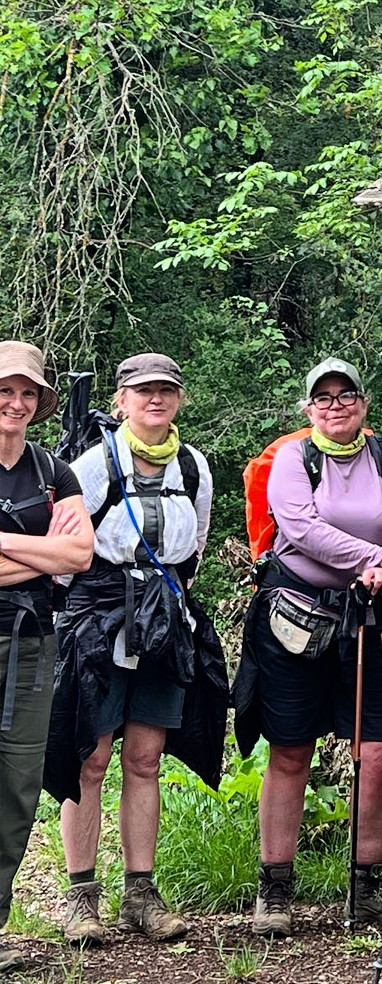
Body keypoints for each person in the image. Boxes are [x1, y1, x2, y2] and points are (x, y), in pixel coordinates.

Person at [232, 357, 382, 937]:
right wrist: (376, 559)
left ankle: (367, 888)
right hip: (298, 621)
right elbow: (299, 527)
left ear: (364, 403)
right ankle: (276, 891)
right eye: (324, 397)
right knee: (291, 749)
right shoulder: (294, 458)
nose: (336, 405)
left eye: (347, 395)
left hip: (375, 618)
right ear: (308, 408)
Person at [43, 354, 217, 947]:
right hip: (97, 614)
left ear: (180, 399)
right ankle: (81, 898)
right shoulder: (91, 464)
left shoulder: (193, 467)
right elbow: (62, 551)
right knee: (90, 758)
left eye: (167, 390)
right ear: (120, 400)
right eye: (143, 391)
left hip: (162, 617)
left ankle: (140, 895)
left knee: (146, 758)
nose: (155, 400)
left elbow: (193, 546)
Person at [0, 341, 93, 973]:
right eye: (5, 390)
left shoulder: (52, 471)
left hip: (31, 646)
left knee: (17, 786)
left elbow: (79, 557)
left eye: (28, 392)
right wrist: (39, 548)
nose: (16, 402)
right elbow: (54, 554)